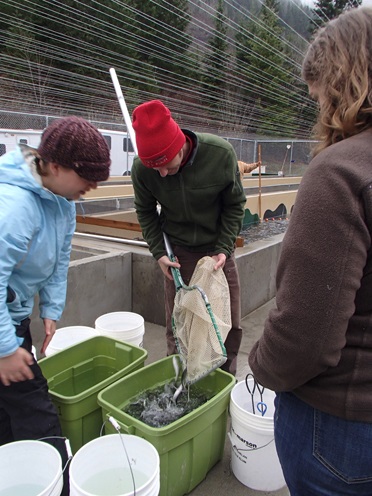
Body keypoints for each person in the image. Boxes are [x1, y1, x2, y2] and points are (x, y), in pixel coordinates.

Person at [248, 7, 372, 496]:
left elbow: (307, 336)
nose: (317, 106)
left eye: (318, 93)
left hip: (338, 427)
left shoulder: (340, 172)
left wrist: (262, 365)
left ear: (342, 80)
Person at [0, 116, 111, 495]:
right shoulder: (14, 209)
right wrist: (6, 349)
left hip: (13, 317)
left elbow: (59, 259)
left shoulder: (61, 202)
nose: (93, 187)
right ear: (56, 165)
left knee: (8, 410)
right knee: (37, 413)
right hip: (4, 326)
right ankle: (55, 484)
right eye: (88, 177)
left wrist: (50, 309)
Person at [131, 100, 246, 375]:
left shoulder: (220, 155)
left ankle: (224, 381)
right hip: (177, 253)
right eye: (153, 167)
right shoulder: (143, 170)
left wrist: (224, 247)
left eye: (166, 166)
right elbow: (145, 211)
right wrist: (158, 251)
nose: (160, 173)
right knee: (178, 324)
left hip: (217, 251)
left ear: (179, 145)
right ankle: (181, 379)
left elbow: (234, 204)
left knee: (226, 323)